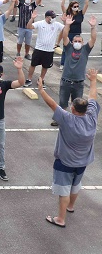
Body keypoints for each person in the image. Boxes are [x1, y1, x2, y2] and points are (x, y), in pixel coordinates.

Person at [38, 68, 99, 228]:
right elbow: (93, 96)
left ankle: (60, 219)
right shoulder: (92, 118)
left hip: (65, 163)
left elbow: (52, 104)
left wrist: (41, 90)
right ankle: (71, 206)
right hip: (83, 162)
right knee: (75, 185)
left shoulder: (67, 119)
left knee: (63, 190)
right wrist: (93, 80)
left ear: (73, 108)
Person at [53, 14, 97, 126]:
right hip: (66, 81)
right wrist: (67, 25)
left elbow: (93, 39)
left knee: (78, 105)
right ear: (72, 42)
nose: (77, 42)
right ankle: (59, 120)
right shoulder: (68, 48)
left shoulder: (85, 50)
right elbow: (65, 36)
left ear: (82, 43)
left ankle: (77, 122)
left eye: (79, 41)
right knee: (62, 103)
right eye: (75, 41)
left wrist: (93, 27)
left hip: (79, 83)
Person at [25, 9, 64, 86]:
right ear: (47, 17)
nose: (53, 18)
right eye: (52, 17)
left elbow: (66, 29)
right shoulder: (40, 23)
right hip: (39, 49)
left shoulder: (56, 24)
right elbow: (29, 26)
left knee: (45, 66)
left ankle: (41, 79)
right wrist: (32, 18)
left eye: (54, 17)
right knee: (33, 64)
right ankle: (29, 79)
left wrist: (65, 22)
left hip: (49, 50)